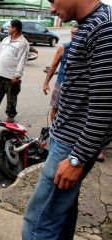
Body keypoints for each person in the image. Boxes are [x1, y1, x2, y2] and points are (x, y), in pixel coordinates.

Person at [22, 1, 112, 239]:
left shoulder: (104, 27)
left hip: (71, 145)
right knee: (61, 212)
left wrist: (77, 158)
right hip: (68, 139)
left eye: (53, 0)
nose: (51, 9)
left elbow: (104, 103)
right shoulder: (91, 23)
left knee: (38, 222)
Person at [0, 19, 29, 123]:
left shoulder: (23, 43)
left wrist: (17, 76)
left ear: (14, 28)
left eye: (9, 27)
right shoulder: (6, 40)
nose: (7, 28)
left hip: (11, 76)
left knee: (11, 97)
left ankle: (10, 115)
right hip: (0, 73)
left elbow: (22, 61)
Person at [43, 24, 78, 121]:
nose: (74, 36)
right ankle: (52, 129)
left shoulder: (86, 49)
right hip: (61, 83)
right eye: (72, 33)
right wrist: (46, 83)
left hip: (76, 86)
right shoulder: (64, 47)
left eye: (76, 34)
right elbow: (53, 66)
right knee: (55, 107)